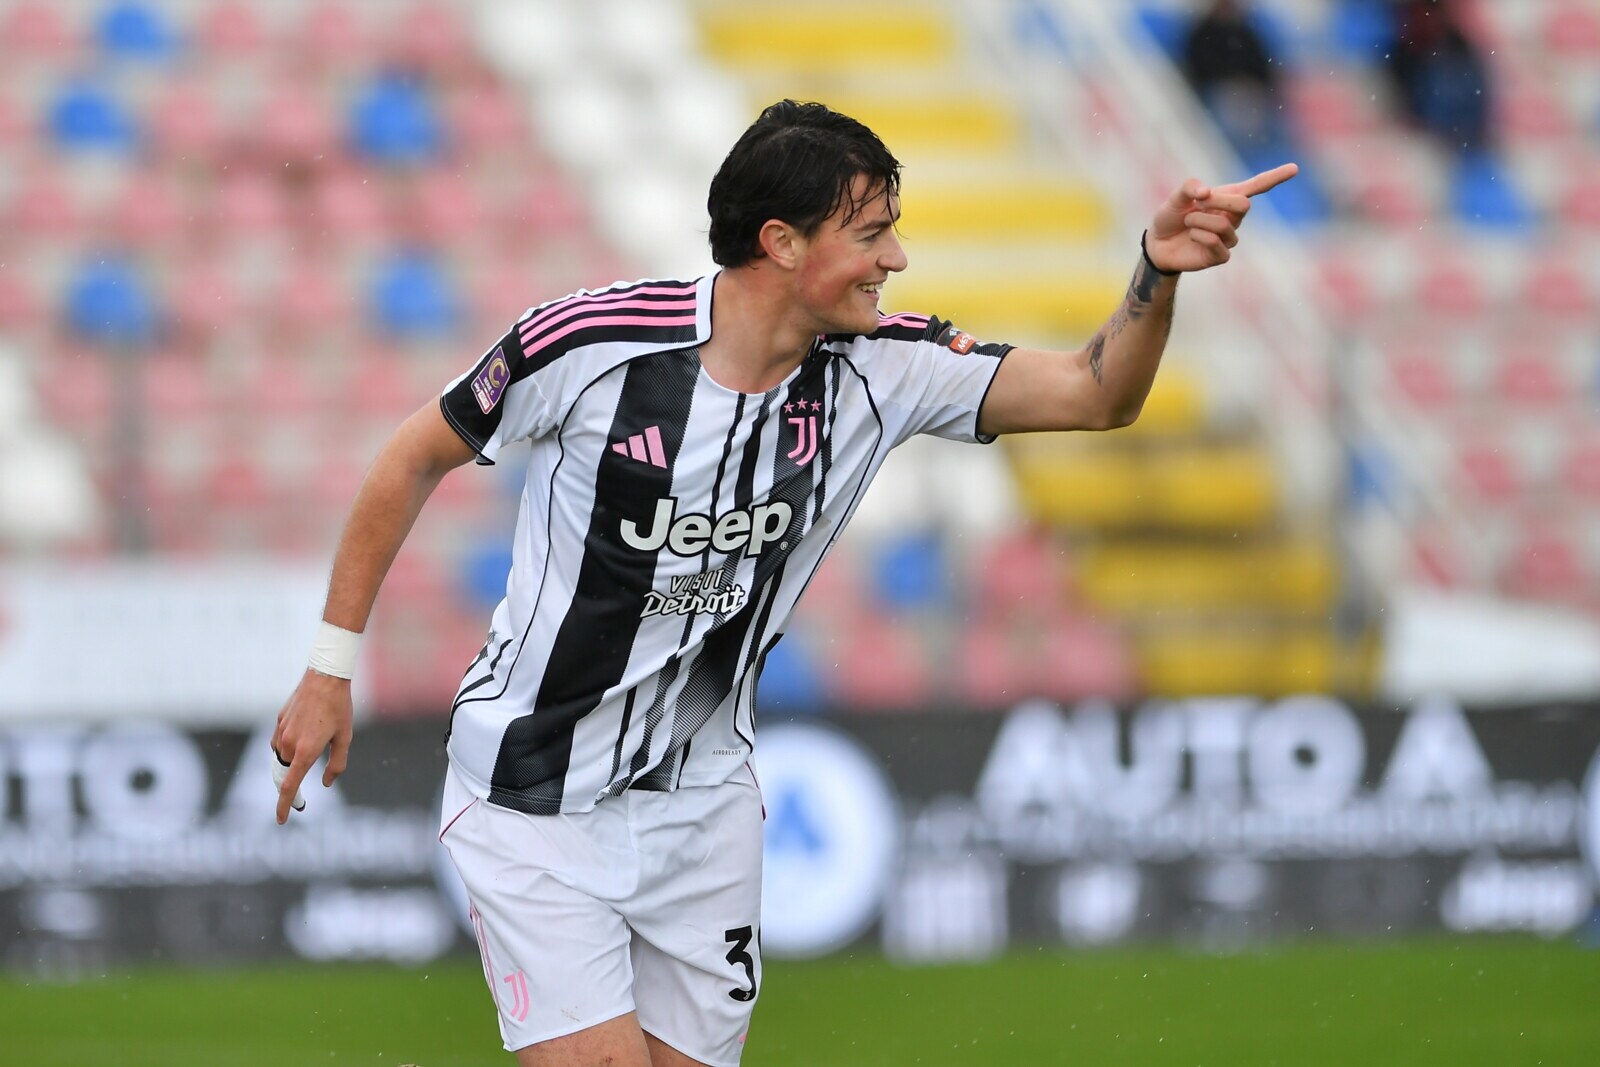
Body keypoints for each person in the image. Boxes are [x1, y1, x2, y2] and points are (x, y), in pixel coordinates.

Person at [271, 100, 1296, 1067]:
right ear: (782, 242)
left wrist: (1155, 271)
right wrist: (329, 667)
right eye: (871, 233)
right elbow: (412, 455)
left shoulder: (885, 367)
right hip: (533, 798)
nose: (896, 258)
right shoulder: (591, 346)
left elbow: (1094, 392)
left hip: (705, 806)